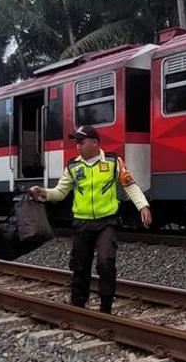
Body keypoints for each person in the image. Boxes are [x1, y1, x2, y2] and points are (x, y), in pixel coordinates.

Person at [29, 125, 152, 314]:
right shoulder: (73, 166)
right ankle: (78, 306)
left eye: (81, 142)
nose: (78, 146)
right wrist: (43, 193)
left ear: (95, 143)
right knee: (80, 265)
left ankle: (106, 307)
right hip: (82, 222)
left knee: (106, 261)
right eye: (76, 142)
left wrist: (143, 206)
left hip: (107, 221)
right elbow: (60, 193)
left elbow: (130, 186)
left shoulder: (113, 162)